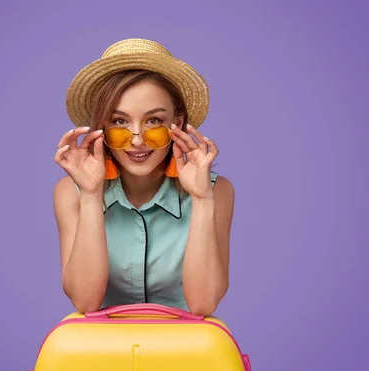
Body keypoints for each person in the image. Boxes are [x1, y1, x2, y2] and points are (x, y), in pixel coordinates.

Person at [53, 38, 235, 316]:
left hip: (188, 353)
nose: (137, 141)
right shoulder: (70, 192)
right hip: (99, 353)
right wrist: (90, 195)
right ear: (102, 127)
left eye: (153, 121)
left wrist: (201, 199)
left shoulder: (217, 191)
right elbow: (85, 302)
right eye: (119, 121)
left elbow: (202, 305)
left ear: (178, 122)